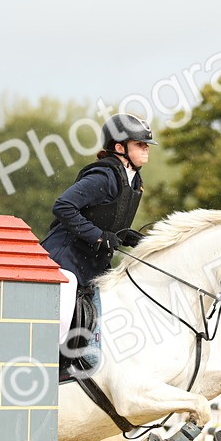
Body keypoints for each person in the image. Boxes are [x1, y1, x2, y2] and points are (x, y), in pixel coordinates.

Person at [40, 113, 156, 345]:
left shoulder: (133, 179)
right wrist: (100, 237)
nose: (146, 149)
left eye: (146, 145)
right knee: (62, 319)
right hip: (64, 260)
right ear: (119, 147)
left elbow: (104, 213)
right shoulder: (103, 176)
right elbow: (63, 206)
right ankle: (47, 355)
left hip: (92, 263)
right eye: (140, 144)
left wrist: (124, 233)